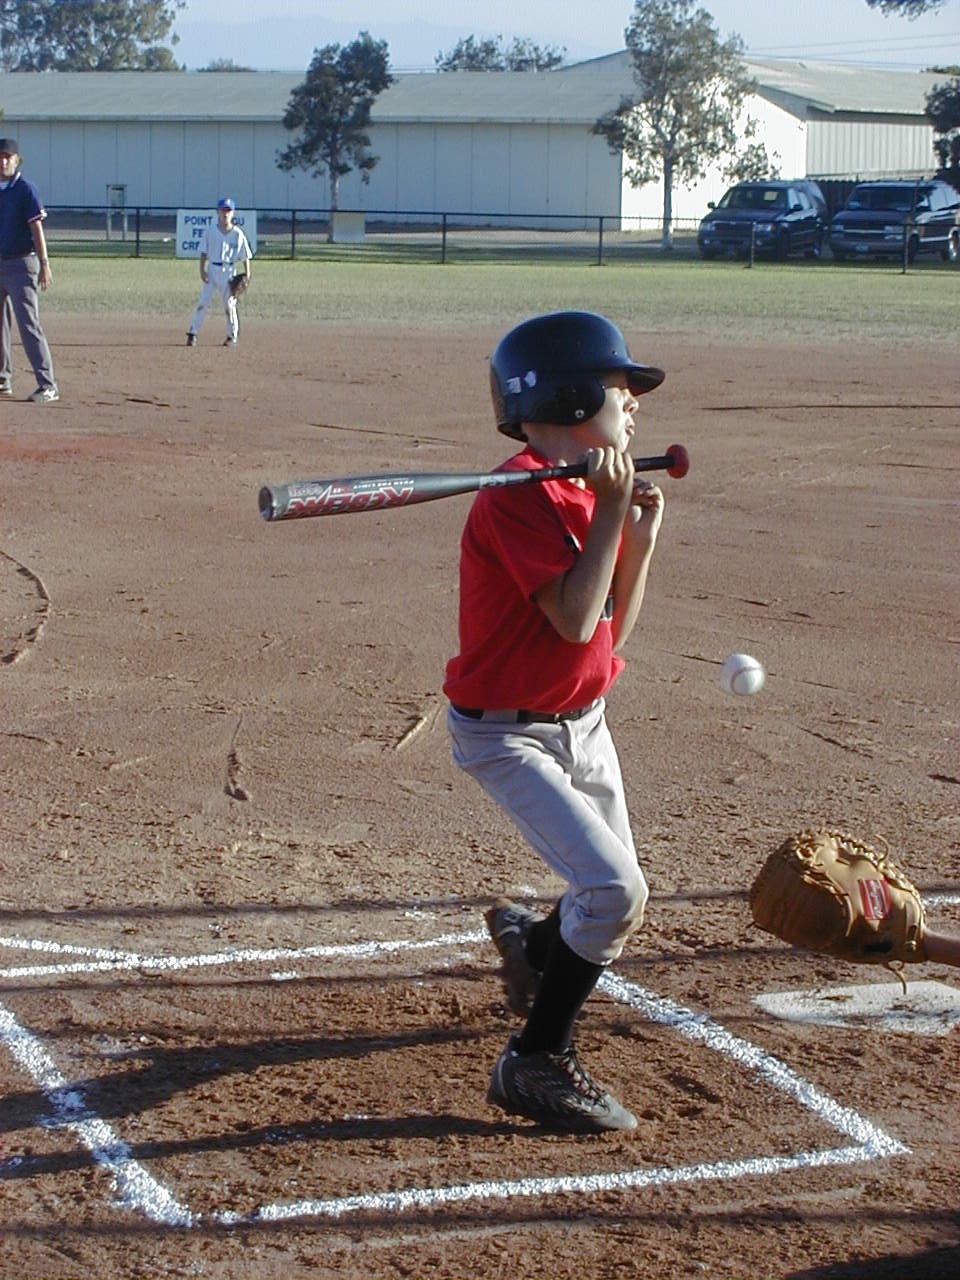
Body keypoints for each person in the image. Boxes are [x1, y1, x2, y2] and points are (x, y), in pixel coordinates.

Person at [444, 310, 667, 1134]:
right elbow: (572, 621)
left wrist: (637, 534)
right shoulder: (518, 496)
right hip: (508, 736)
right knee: (613, 892)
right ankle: (534, 1060)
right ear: (569, 397)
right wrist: (609, 513)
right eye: (616, 388)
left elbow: (608, 630)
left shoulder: (578, 489)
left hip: (583, 721)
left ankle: (535, 948)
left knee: (612, 899)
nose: (632, 404)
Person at [0, 138, 59, 403]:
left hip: (22, 264)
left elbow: (37, 228)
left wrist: (44, 264)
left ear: (17, 160)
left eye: (8, 157)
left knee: (28, 324)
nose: (3, 161)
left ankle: (47, 384)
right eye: (0, 157)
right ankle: (3, 378)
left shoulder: (25, 189)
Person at [185, 197, 251, 347]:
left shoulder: (237, 234)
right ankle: (193, 333)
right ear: (218, 212)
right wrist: (202, 270)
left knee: (229, 306)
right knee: (202, 303)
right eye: (223, 210)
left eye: (228, 210)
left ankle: (232, 336)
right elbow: (203, 252)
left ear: (233, 213)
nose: (225, 213)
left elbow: (245, 256)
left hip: (229, 271)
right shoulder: (210, 231)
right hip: (212, 270)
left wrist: (247, 274)